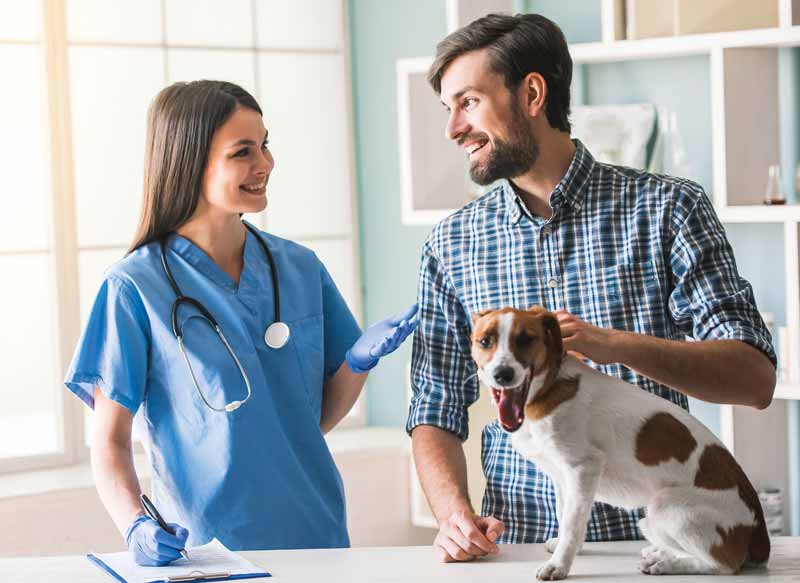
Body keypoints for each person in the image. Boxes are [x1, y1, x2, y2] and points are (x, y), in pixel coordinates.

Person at [406, 13, 777, 563]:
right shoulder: (452, 242)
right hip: (525, 551)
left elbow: (754, 378)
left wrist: (606, 344)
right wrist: (453, 513)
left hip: (666, 547)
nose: (453, 129)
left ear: (532, 93)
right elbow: (434, 403)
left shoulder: (669, 210)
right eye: (448, 109)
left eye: (468, 103)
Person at [64, 80, 417, 566]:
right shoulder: (134, 288)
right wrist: (135, 526)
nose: (266, 164)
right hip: (208, 551)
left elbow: (306, 422)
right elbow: (109, 440)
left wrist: (357, 363)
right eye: (243, 151)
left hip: (317, 537)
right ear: (191, 162)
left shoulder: (299, 267)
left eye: (265, 144)